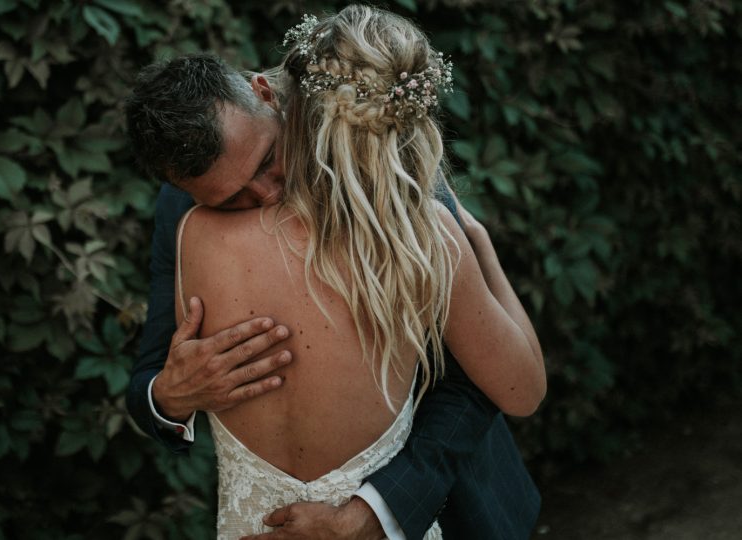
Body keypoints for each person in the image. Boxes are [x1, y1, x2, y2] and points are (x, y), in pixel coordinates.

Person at [126, 11, 544, 540]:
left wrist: (376, 511)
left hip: (441, 502)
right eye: (230, 200)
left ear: (266, 93)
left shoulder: (374, 148)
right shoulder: (182, 216)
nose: (268, 196)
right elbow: (150, 369)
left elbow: (470, 380)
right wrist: (168, 396)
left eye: (267, 162)